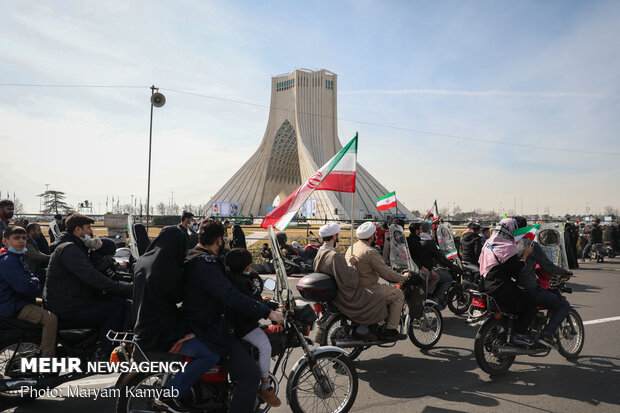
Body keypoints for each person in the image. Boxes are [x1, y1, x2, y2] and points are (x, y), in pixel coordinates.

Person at [159, 220, 283, 413]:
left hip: (201, 322)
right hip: (210, 330)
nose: (223, 243)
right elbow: (229, 295)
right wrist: (268, 312)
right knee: (250, 374)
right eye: (223, 239)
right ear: (218, 240)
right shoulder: (205, 264)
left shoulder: (195, 256)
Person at [43, 213, 132, 358]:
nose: (91, 232)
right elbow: (93, 278)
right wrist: (124, 288)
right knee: (115, 308)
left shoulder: (76, 247)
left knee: (120, 303)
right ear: (78, 230)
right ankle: (103, 352)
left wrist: (122, 285)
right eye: (88, 228)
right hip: (67, 307)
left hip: (72, 301)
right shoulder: (70, 250)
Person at [225, 248, 281, 407]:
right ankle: (265, 384)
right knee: (265, 346)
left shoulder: (229, 278)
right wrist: (271, 309)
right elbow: (252, 306)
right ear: (248, 267)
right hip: (244, 326)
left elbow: (251, 300)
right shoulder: (245, 282)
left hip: (234, 324)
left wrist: (263, 301)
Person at [313, 223, 387, 341]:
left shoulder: (320, 253)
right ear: (334, 237)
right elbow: (349, 282)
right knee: (379, 297)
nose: (338, 237)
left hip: (334, 292)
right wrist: (351, 265)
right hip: (345, 295)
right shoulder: (335, 256)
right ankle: (364, 329)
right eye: (338, 235)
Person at [514, 217, 572, 348]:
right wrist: (564, 271)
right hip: (529, 288)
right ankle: (547, 334)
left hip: (511, 288)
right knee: (563, 305)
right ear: (525, 228)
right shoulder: (529, 244)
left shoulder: (505, 244)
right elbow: (547, 266)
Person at [479, 218, 537, 346]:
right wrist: (525, 255)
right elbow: (514, 270)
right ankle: (520, 334)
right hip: (501, 287)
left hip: (485, 284)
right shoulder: (507, 247)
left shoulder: (488, 243)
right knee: (531, 304)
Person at [0, 225, 58, 357]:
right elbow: (26, 287)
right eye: (16, 238)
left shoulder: (14, 256)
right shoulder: (8, 260)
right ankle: (48, 360)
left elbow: (29, 279)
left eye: (23, 238)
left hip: (16, 300)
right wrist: (35, 281)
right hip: (12, 304)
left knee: (50, 303)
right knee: (51, 319)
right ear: (5, 241)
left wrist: (33, 280)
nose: (21, 241)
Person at [346, 222, 408, 341]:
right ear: (371, 237)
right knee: (398, 294)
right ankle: (391, 330)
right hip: (369, 287)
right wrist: (403, 277)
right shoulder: (370, 251)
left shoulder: (352, 247)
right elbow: (385, 273)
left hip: (357, 287)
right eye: (374, 235)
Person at [412, 222, 460, 308]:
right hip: (426, 270)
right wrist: (452, 266)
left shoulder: (416, 240)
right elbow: (440, 258)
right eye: (432, 231)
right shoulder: (429, 243)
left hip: (417, 269)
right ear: (429, 231)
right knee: (448, 279)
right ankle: (436, 301)